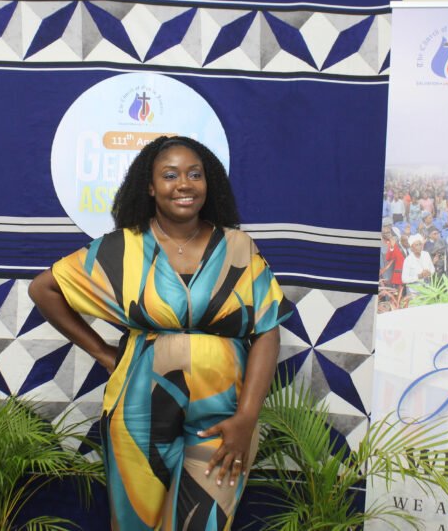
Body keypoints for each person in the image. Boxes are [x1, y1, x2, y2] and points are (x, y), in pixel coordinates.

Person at [28, 136, 292, 530]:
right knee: (136, 524)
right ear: (150, 187)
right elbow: (43, 289)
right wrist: (104, 355)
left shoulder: (238, 247)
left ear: (209, 183)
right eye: (170, 175)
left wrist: (247, 419)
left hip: (223, 416)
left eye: (194, 174)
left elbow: (267, 332)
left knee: (200, 523)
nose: (183, 184)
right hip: (137, 413)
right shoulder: (122, 248)